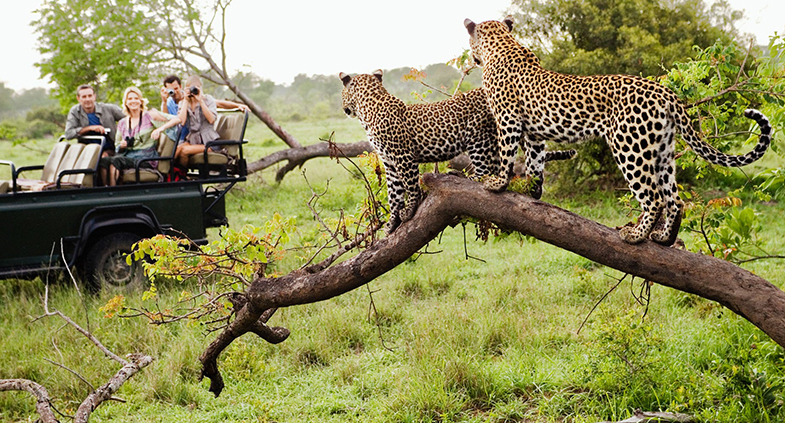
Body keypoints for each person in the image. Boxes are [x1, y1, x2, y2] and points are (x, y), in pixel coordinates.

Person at [99, 87, 181, 186]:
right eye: (130, 99)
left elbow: (177, 119)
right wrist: (122, 145)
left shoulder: (149, 115)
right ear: (126, 102)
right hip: (129, 156)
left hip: (145, 158)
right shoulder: (122, 123)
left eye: (136, 98)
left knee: (117, 161)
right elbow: (117, 147)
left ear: (140, 101)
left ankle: (113, 192)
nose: (133, 101)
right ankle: (105, 188)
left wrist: (160, 129)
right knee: (104, 161)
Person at [159, 74, 248, 143]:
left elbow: (217, 103)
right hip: (179, 135)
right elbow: (166, 118)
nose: (174, 92)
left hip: (191, 135)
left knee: (179, 151)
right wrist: (164, 102)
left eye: (176, 88)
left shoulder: (195, 96)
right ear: (166, 89)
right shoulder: (170, 102)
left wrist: (237, 105)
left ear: (181, 87)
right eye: (171, 90)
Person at [173, 75, 226, 169]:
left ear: (201, 88)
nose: (194, 91)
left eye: (196, 88)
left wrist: (201, 101)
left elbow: (211, 119)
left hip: (210, 142)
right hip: (193, 140)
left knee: (184, 150)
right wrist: (185, 100)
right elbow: (181, 122)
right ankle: (177, 177)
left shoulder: (208, 100)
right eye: (191, 88)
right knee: (177, 150)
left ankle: (179, 176)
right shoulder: (184, 103)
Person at [65, 84, 125, 157]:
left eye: (90, 96)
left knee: (102, 158)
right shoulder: (75, 111)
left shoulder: (108, 109)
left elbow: (129, 117)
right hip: (87, 150)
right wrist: (90, 128)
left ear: (94, 96)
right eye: (84, 97)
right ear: (78, 98)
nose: (87, 99)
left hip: (110, 148)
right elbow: (68, 134)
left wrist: (123, 134)